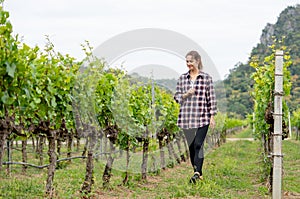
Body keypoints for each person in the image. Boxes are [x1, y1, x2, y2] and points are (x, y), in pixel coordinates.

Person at [174, 50, 217, 184]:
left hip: (202, 117)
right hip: (186, 117)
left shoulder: (206, 78)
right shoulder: (182, 78)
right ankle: (198, 172)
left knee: (199, 144)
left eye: (191, 61)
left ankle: (197, 172)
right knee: (191, 146)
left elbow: (211, 98)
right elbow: (176, 97)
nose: (188, 64)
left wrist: (212, 116)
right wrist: (186, 94)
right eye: (187, 61)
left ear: (197, 61)